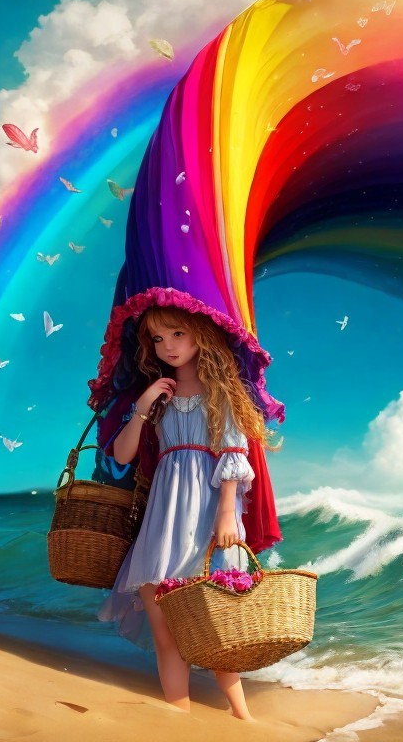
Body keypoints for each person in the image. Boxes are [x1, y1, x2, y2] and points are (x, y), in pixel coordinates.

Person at [97, 303, 278, 719]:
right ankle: (178, 714)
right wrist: (143, 404)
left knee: (217, 622)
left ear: (200, 334)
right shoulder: (159, 397)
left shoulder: (222, 390)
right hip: (163, 520)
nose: (167, 346)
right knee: (164, 626)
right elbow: (122, 455)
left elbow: (234, 454)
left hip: (208, 513)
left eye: (177, 334)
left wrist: (227, 514)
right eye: (158, 340)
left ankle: (241, 714)